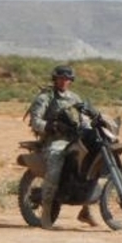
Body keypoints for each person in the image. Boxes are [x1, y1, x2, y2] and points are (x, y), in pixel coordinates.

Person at [27, 64, 97, 229]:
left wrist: (92, 124)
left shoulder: (75, 98)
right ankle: (46, 210)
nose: (64, 81)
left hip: (74, 139)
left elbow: (84, 119)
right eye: (61, 78)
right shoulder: (46, 97)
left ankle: (86, 209)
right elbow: (35, 121)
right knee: (56, 160)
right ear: (55, 79)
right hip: (54, 140)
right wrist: (51, 126)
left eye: (67, 79)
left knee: (91, 163)